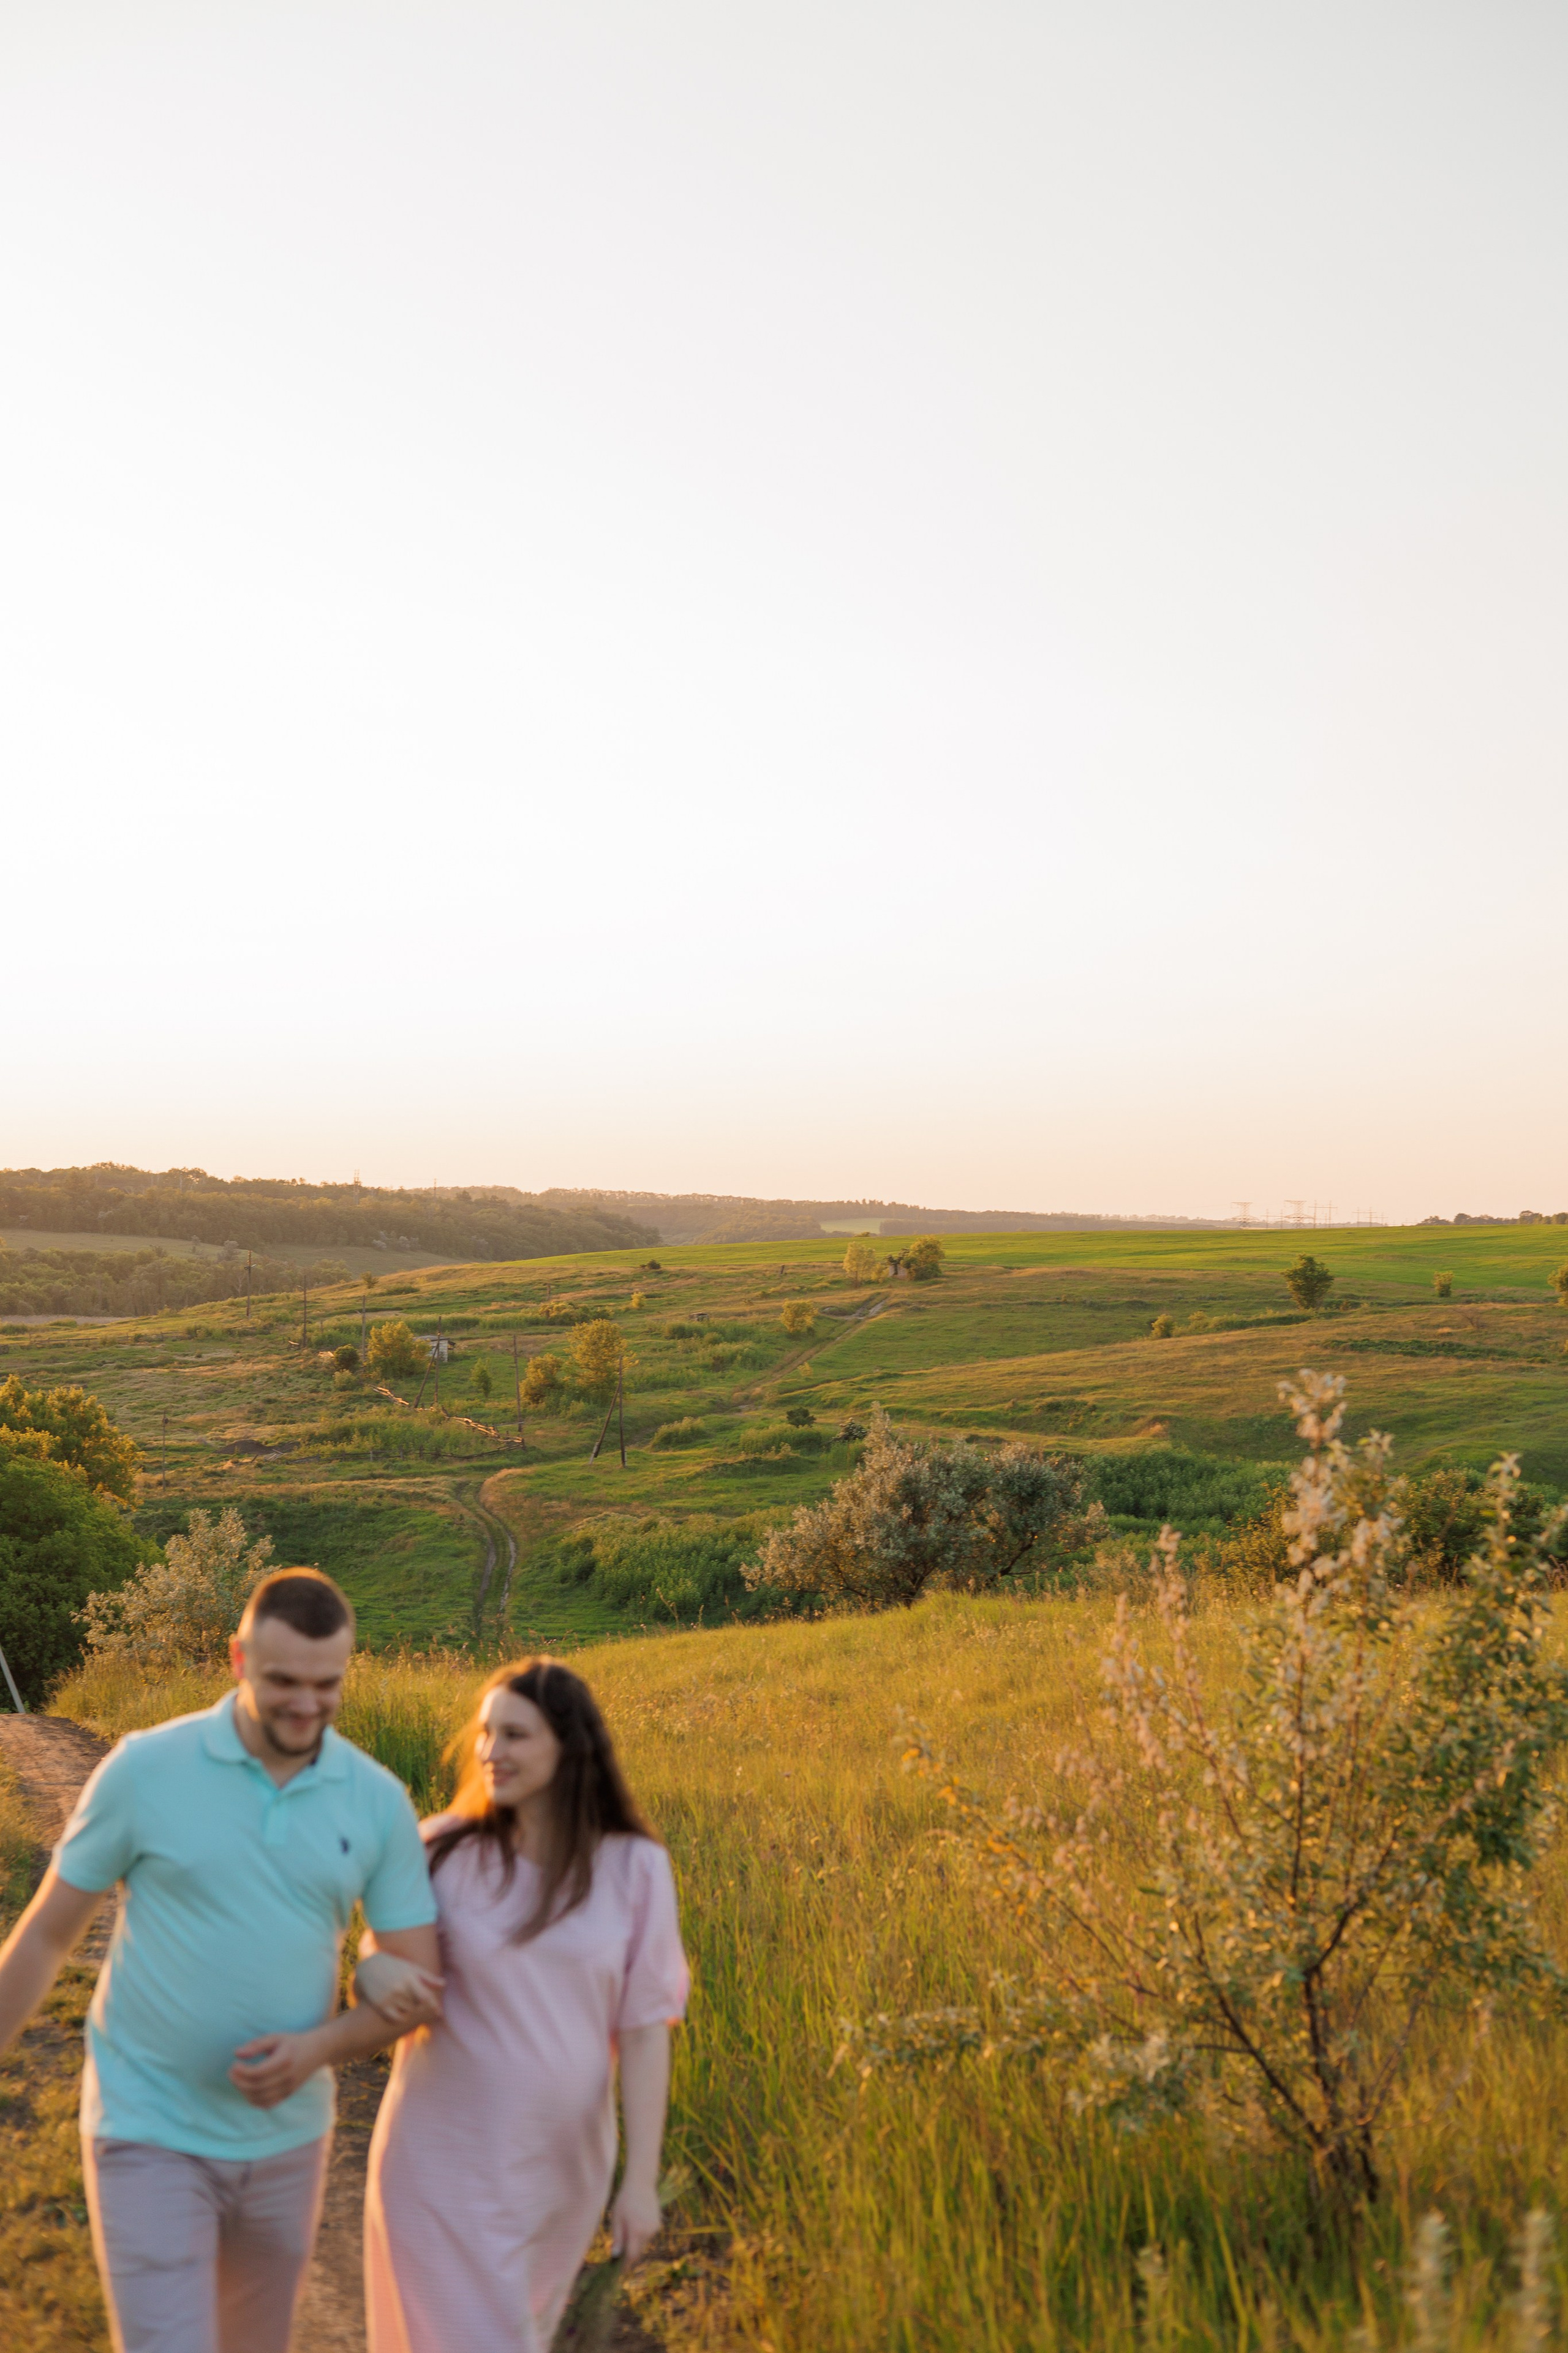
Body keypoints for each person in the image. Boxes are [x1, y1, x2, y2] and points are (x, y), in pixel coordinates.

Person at [0, 1568, 444, 2353]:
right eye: (282, 1681)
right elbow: (44, 1937)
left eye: (326, 1685)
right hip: (146, 2127)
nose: (306, 1705)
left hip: (288, 2141)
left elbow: (410, 1986)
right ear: (237, 1658)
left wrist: (320, 2049)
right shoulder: (145, 1769)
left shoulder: (375, 1800)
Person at [363, 1656, 688, 2353]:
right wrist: (371, 1976)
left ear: (569, 1747)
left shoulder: (634, 1866)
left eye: (514, 1735)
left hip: (562, 2166)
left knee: (521, 2334)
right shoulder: (439, 1849)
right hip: (440, 2155)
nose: (490, 1751)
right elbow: (379, 1963)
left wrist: (639, 2183)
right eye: (485, 1732)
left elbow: (644, 2030)